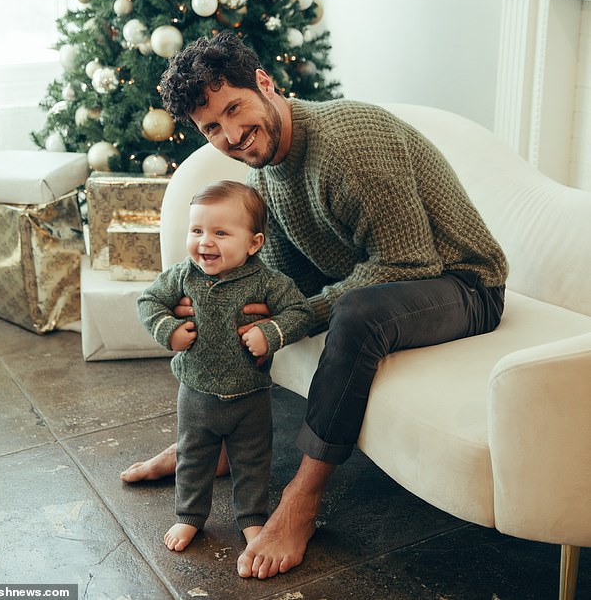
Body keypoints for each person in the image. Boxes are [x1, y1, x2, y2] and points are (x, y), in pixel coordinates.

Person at [123, 30, 508, 580]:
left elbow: (407, 263)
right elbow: (283, 282)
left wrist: (307, 313)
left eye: (234, 109)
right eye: (212, 127)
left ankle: (301, 500)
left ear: (263, 82)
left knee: (353, 313)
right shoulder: (268, 172)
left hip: (464, 283)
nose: (231, 134)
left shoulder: (348, 144)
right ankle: (210, 441)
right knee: (244, 296)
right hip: (395, 277)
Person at [136, 179, 313, 553]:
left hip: (250, 395)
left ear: (254, 243)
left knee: (252, 461)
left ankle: (251, 519)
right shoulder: (184, 274)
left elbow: (302, 312)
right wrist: (168, 329)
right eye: (197, 230)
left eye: (220, 232)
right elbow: (148, 301)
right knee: (192, 457)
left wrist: (271, 331)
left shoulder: (268, 281)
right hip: (196, 394)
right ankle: (189, 515)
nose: (205, 242)